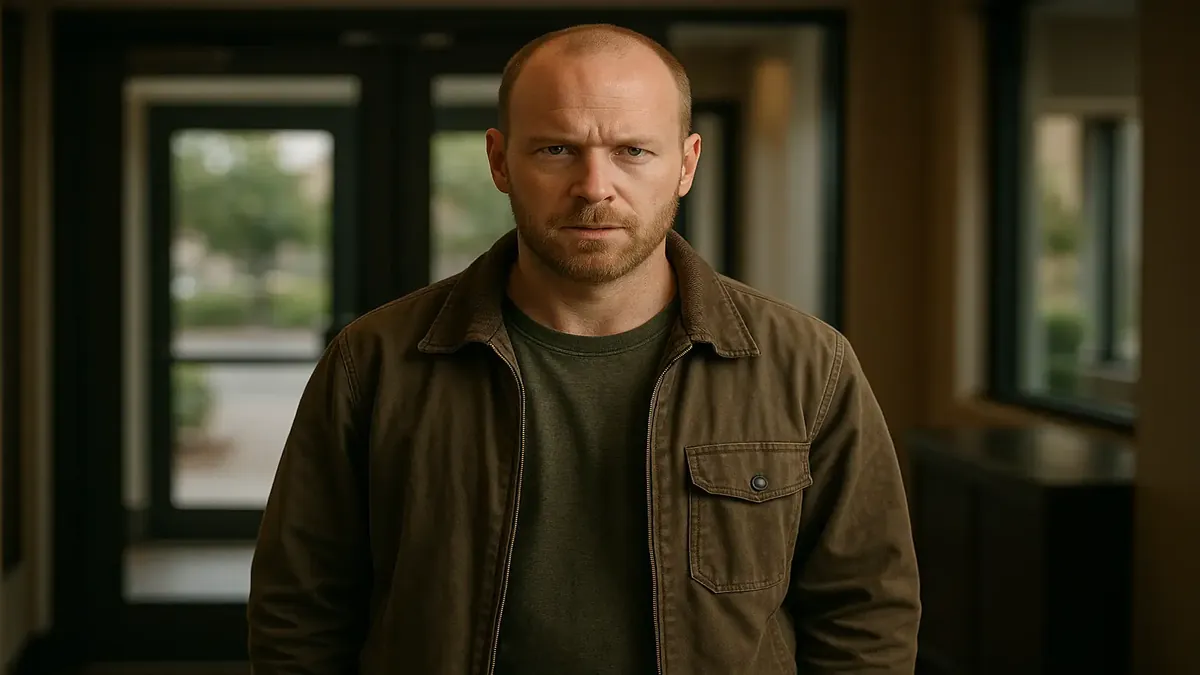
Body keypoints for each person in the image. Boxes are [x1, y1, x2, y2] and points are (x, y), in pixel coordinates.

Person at [248, 23, 920, 675]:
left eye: (633, 151)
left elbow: (865, 613)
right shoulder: (374, 360)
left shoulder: (808, 365)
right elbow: (300, 610)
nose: (595, 186)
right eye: (556, 149)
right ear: (499, 160)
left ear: (686, 163)